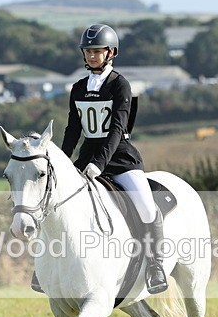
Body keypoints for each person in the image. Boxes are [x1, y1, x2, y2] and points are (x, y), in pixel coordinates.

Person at [31, 23, 168, 294]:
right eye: (88, 51)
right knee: (53, 203)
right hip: (87, 158)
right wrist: (62, 162)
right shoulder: (79, 87)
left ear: (111, 52)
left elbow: (117, 129)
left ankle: (155, 265)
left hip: (120, 158)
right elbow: (73, 129)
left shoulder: (120, 85)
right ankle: (44, 267)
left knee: (146, 206)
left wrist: (100, 163)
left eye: (98, 51)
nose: (92, 56)